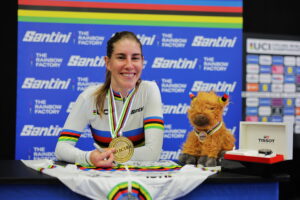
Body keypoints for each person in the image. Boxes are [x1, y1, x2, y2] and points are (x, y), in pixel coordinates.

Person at [55, 31, 164, 167]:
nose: (129, 65)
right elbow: (61, 148)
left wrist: (109, 155)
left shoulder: (149, 91)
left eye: (135, 58)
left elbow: (153, 154)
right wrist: (89, 157)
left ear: (142, 61)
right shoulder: (89, 97)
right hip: (102, 181)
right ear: (108, 62)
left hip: (141, 181)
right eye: (121, 57)